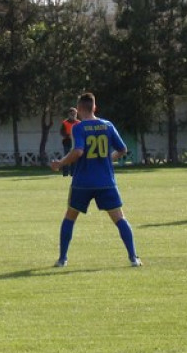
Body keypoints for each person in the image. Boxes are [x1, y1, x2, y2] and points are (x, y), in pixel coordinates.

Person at [49, 92, 142, 267]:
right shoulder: (107, 125)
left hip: (82, 182)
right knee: (120, 218)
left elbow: (78, 152)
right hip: (106, 181)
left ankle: (62, 259)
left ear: (79, 108)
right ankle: (134, 258)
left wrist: (61, 163)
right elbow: (122, 149)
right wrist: (108, 160)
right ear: (94, 107)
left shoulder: (78, 127)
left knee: (70, 217)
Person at [59, 107, 79, 177]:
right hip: (67, 142)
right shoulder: (65, 123)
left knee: (74, 158)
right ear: (69, 114)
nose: (73, 116)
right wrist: (68, 135)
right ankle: (65, 174)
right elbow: (61, 132)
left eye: (75, 114)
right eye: (72, 114)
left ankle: (73, 174)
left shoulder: (78, 123)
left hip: (75, 142)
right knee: (66, 158)